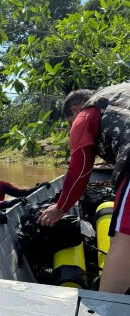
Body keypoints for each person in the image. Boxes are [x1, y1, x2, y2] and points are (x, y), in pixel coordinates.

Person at [37, 83, 130, 294]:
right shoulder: (119, 93)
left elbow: (79, 171)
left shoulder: (85, 114)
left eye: (70, 124)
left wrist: (60, 208)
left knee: (124, 239)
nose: (72, 128)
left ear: (75, 110)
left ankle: (103, 314)